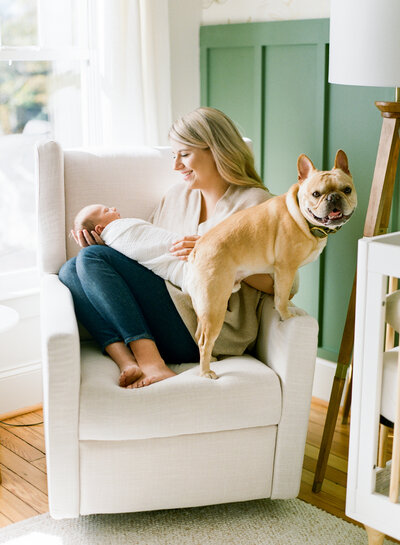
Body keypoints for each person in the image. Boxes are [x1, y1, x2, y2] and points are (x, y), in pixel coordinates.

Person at [59, 107, 274, 389]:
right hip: (164, 313)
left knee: (92, 258)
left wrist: (222, 254)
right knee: (71, 269)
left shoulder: (257, 204)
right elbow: (147, 257)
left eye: (184, 154)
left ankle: (152, 362)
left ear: (216, 150)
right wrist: (106, 242)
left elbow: (280, 283)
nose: (176, 166)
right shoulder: (176, 196)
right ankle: (126, 359)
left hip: (209, 327)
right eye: (175, 156)